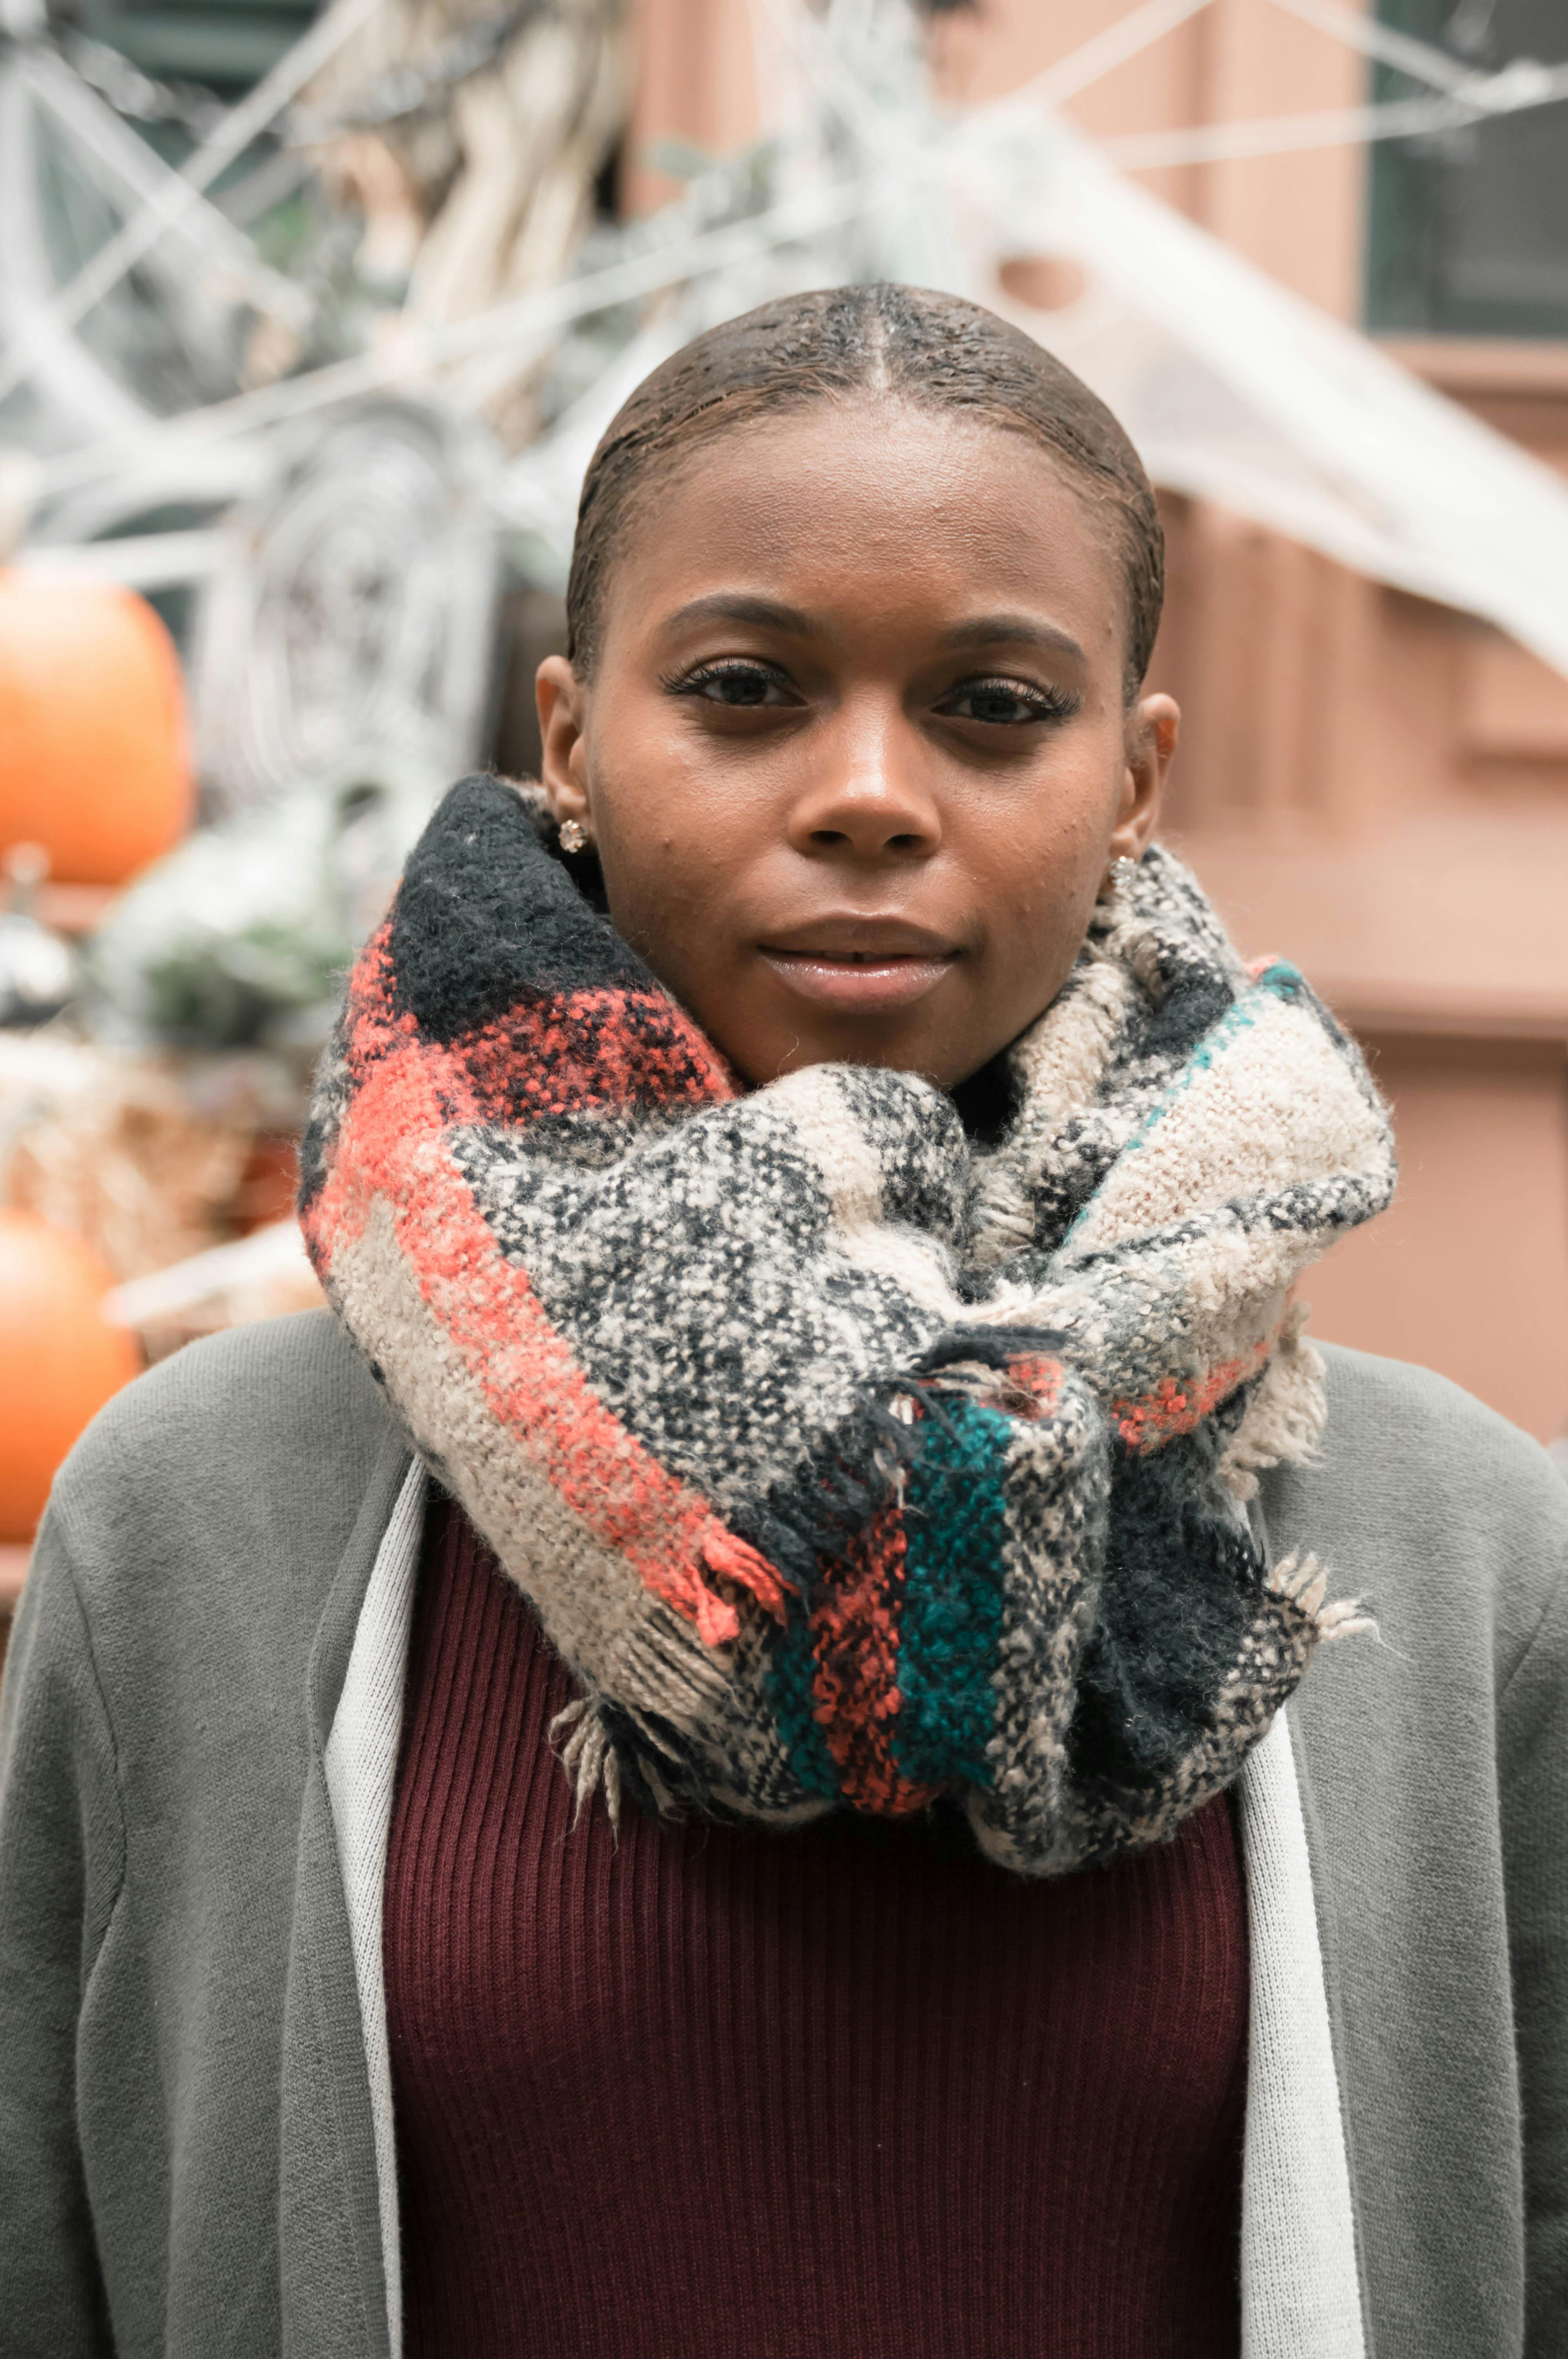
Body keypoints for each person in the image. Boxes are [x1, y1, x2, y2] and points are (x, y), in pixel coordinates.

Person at [0, 284, 1563, 2359]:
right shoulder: (194, 1520)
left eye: (996, 707)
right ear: (567, 742)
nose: (866, 795)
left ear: (1135, 779)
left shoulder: (1462, 1556)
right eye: (745, 689)